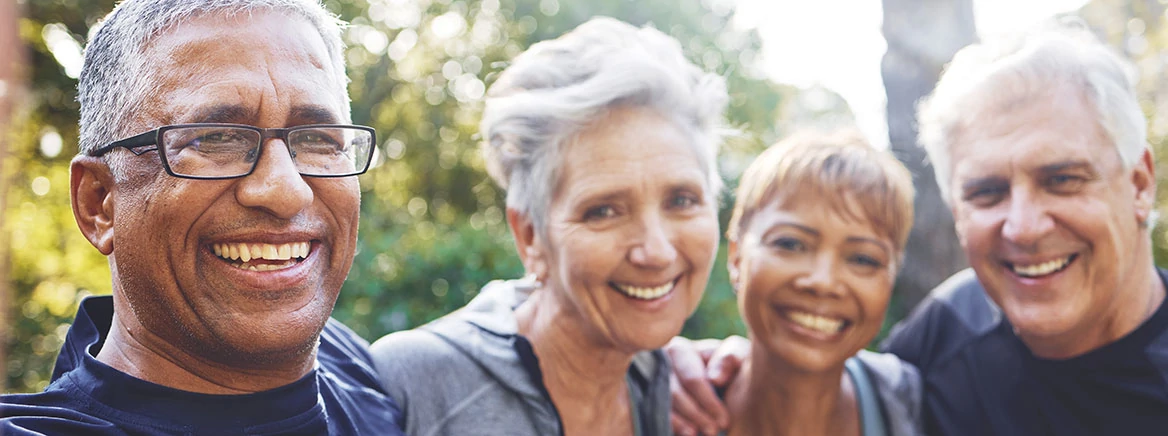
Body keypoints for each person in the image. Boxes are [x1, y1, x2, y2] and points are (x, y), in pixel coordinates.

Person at [667, 21, 1168, 436]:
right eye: (987, 192)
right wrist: (689, 367)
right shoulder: (947, 334)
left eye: (1062, 180)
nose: (1024, 226)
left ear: (1140, 184)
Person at [0, 1, 405, 434]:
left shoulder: (366, 372)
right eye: (216, 139)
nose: (286, 191)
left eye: (317, 140)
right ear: (99, 202)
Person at [369, 17, 727, 436]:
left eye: (682, 201)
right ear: (530, 237)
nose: (658, 251)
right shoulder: (413, 385)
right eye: (604, 211)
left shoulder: (690, 396)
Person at [715, 132, 920, 436]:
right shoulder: (658, 407)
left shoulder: (913, 403)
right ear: (736, 256)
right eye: (790, 243)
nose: (823, 282)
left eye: (863, 259)